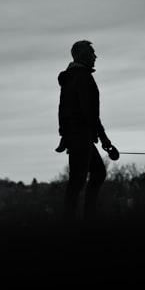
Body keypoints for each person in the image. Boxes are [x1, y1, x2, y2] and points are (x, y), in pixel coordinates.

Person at [55, 40, 116, 221]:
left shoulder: (70, 78)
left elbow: (63, 109)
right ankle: (77, 219)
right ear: (82, 55)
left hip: (77, 136)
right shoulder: (82, 77)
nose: (95, 56)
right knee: (78, 181)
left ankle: (85, 216)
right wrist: (104, 139)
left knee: (95, 173)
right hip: (81, 136)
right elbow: (89, 111)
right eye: (92, 52)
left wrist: (64, 135)